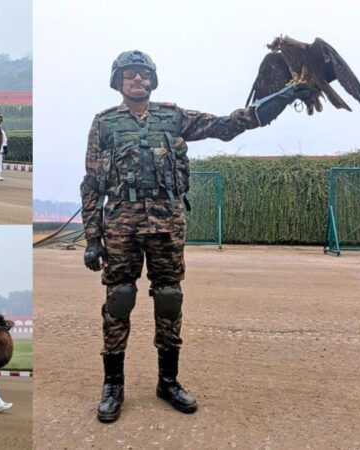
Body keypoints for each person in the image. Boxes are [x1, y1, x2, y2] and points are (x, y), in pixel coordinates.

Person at [81, 50, 310, 423]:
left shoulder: (173, 117)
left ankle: (168, 381)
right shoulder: (104, 124)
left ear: (153, 80)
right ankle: (113, 386)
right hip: (121, 225)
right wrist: (93, 239)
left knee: (169, 298)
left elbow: (227, 125)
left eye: (143, 74)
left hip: (167, 224)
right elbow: (91, 184)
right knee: (119, 299)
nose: (137, 79)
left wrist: (280, 99)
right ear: (118, 81)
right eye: (130, 74)